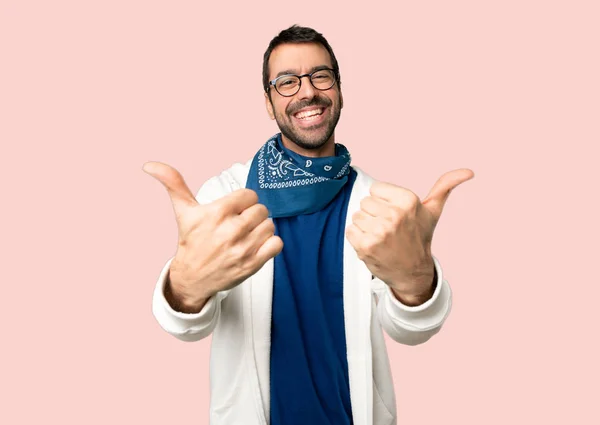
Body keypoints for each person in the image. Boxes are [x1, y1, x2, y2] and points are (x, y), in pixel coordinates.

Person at [144, 25, 474, 425]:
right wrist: (184, 289)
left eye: (321, 75)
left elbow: (411, 331)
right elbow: (188, 329)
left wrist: (418, 280)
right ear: (268, 102)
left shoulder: (377, 205)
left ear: (338, 89)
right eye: (286, 82)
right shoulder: (226, 195)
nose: (307, 91)